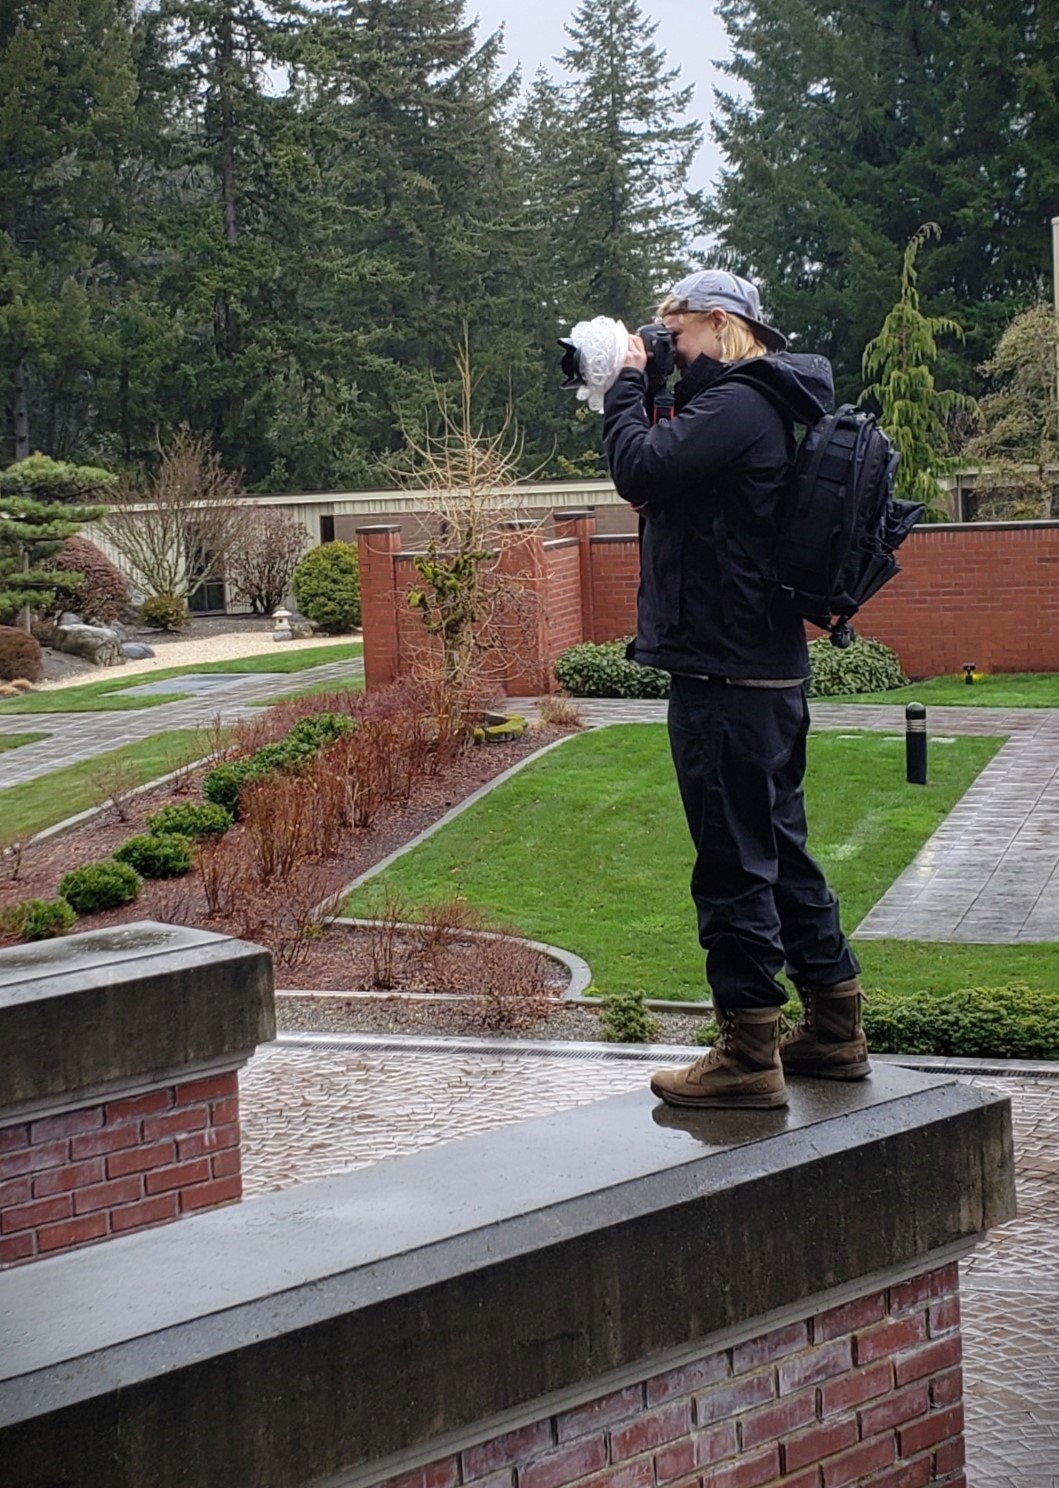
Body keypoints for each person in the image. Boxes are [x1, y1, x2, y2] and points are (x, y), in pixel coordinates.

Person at [602, 269, 868, 1110]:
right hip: (761, 669)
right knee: (778, 850)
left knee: (732, 865)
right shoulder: (756, 402)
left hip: (726, 673)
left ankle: (747, 1053)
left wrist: (621, 389)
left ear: (718, 324)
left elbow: (639, 469)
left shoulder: (739, 404)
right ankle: (833, 1027)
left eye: (672, 332)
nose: (665, 348)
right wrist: (645, 387)